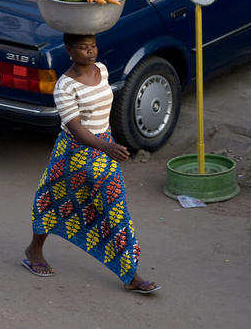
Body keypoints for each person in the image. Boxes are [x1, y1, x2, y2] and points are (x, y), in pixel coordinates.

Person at [22, 33, 161, 294]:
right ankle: (34, 250)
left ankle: (130, 274)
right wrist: (106, 147)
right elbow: (75, 128)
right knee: (51, 202)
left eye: (93, 46)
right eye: (83, 47)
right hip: (72, 155)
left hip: (102, 155)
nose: (90, 52)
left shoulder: (103, 70)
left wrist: (109, 143)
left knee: (116, 209)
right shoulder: (64, 86)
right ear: (69, 50)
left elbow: (104, 111)